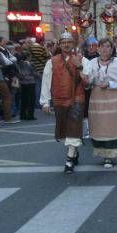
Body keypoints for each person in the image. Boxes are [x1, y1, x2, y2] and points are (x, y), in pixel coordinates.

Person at [40, 32, 88, 174]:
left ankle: (68, 161)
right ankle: (74, 152)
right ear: (60, 45)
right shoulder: (51, 62)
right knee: (64, 131)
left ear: (72, 44)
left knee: (73, 128)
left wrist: (79, 67)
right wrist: (45, 102)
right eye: (63, 42)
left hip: (77, 99)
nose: (66, 44)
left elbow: (88, 81)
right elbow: (46, 82)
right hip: (59, 99)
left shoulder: (81, 60)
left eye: (69, 42)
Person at [84, 38, 117, 168]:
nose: (105, 49)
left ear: (112, 49)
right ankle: (104, 155)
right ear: (98, 49)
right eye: (102, 46)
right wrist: (87, 81)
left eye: (108, 46)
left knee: (112, 126)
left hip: (113, 98)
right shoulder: (92, 63)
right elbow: (88, 82)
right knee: (100, 125)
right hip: (97, 98)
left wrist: (110, 83)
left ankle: (110, 156)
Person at [16, 51, 37, 121]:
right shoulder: (30, 64)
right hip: (30, 82)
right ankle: (30, 115)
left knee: (24, 99)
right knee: (31, 99)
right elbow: (34, 73)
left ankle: (23, 114)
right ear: (28, 57)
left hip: (22, 82)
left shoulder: (19, 64)